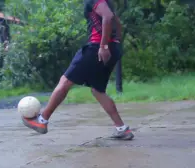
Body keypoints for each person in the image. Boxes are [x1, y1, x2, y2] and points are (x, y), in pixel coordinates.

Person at [22, 0, 134, 140]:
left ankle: (42, 121)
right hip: (113, 48)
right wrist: (114, 42)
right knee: (98, 90)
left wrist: (104, 45)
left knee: (65, 81)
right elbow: (117, 22)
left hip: (96, 48)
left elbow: (108, 16)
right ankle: (122, 128)